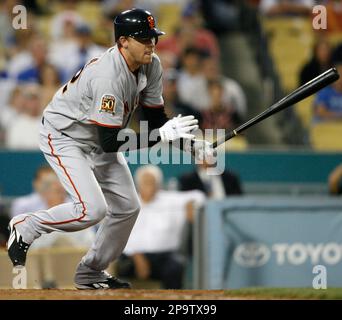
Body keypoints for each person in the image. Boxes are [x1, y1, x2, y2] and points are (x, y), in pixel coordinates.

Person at [7, 8, 214, 290]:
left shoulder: (152, 64)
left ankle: (90, 272)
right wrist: (163, 137)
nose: (151, 43)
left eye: (152, 37)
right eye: (143, 38)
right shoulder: (108, 76)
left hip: (99, 136)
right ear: (123, 41)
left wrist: (190, 144)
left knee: (128, 207)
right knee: (92, 209)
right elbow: (110, 142)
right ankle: (26, 226)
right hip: (65, 135)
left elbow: (156, 121)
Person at [117, 165, 205, 289]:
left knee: (176, 266)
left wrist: (191, 205)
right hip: (132, 257)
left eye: (152, 183)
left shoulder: (170, 200)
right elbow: (118, 236)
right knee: (118, 267)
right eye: (145, 183)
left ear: (158, 184)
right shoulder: (128, 204)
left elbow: (198, 195)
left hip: (165, 257)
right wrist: (136, 256)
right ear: (138, 184)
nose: (149, 187)